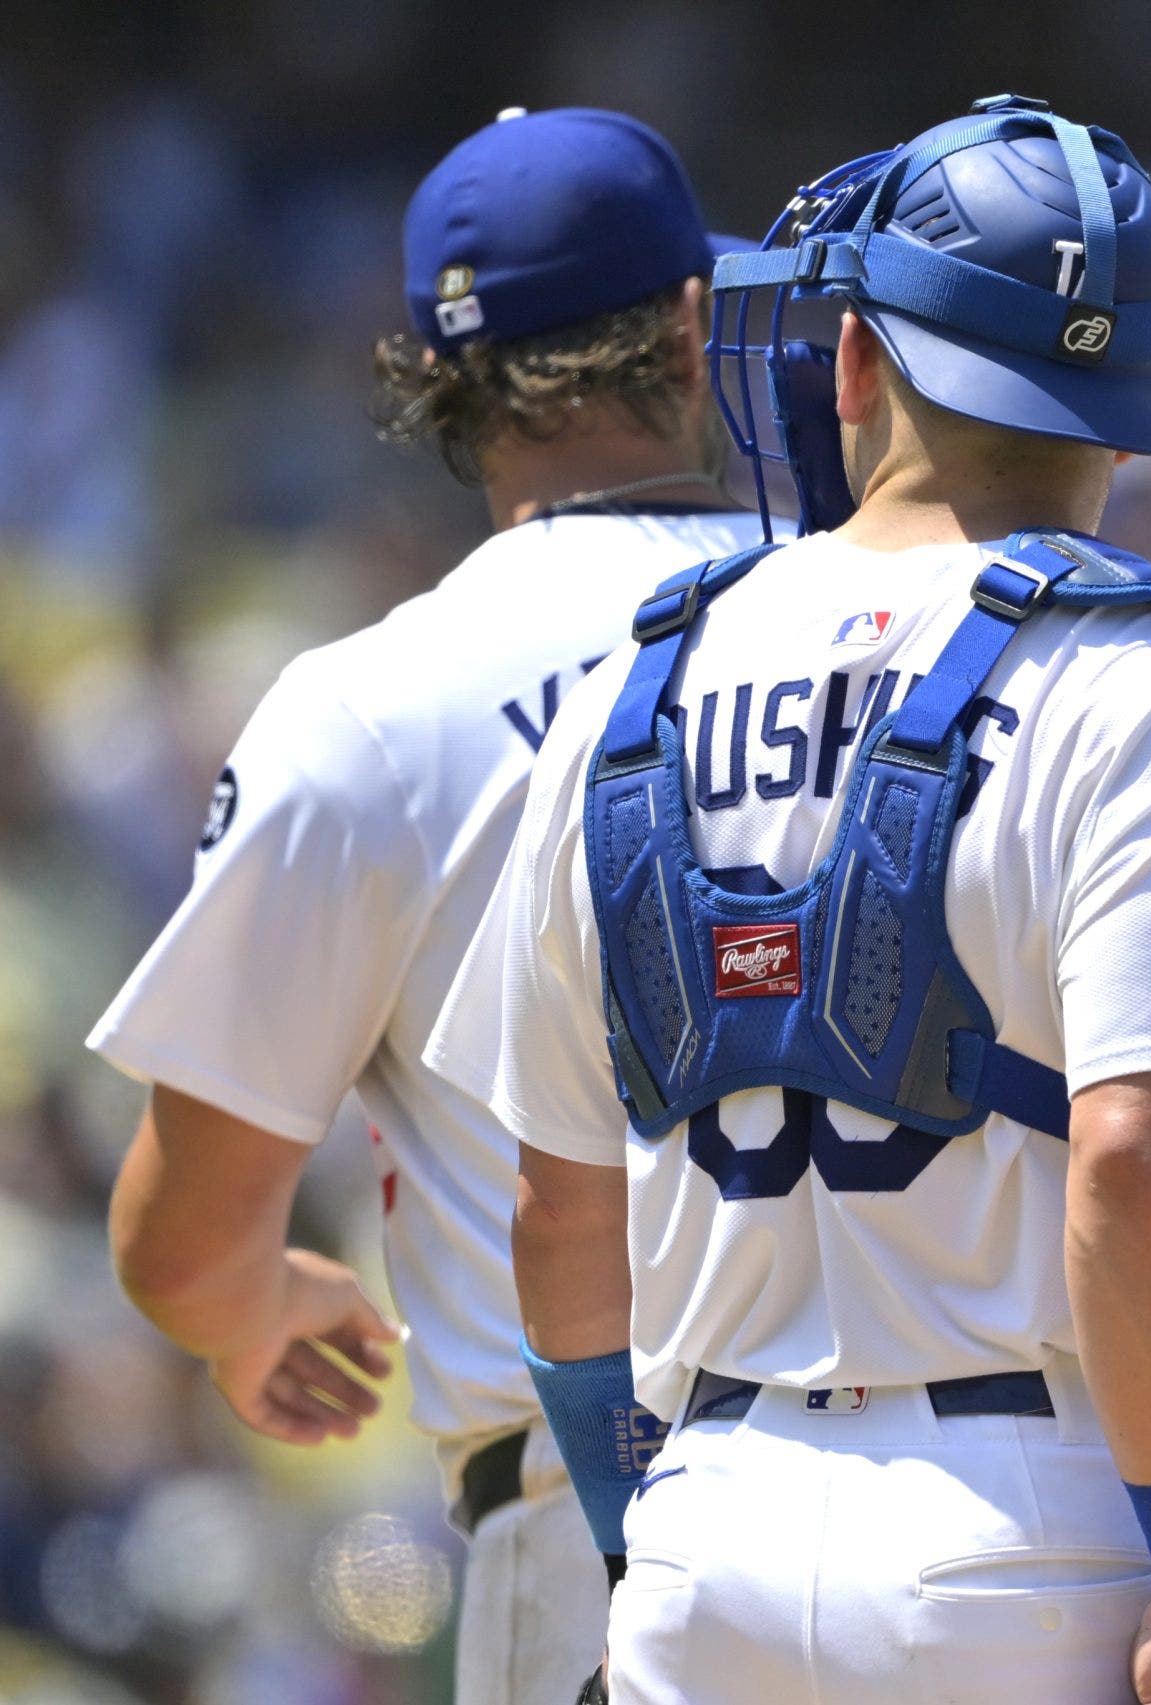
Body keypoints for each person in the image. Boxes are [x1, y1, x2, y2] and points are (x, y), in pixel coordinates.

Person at [424, 96, 1151, 1705]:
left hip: (709, 1514)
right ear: (1138, 405)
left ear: (858, 359)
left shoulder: (631, 688)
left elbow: (558, 1209)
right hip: (1040, 1533)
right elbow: (1146, 1166)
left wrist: (634, 1548)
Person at [94, 107, 765, 1705]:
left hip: (601, 1521)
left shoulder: (371, 714)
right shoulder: (897, 630)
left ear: (438, 379)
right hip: (968, 1506)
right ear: (692, 326)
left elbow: (183, 1241)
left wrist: (258, 1307)